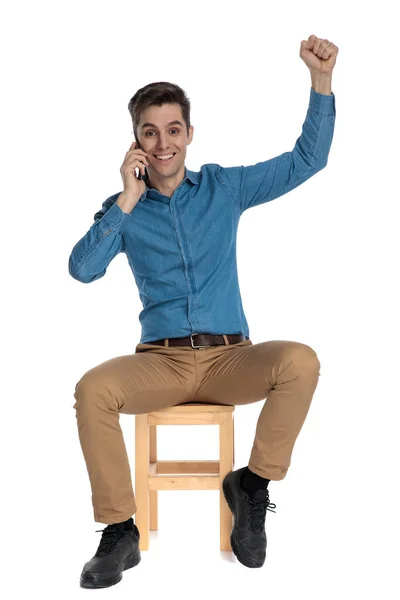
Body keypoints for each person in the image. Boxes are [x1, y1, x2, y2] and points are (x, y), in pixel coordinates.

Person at [69, 35, 338, 588]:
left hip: (229, 361)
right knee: (93, 388)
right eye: (150, 131)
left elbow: (308, 160)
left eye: (173, 129)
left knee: (301, 361)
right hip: (160, 365)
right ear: (136, 142)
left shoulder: (223, 187)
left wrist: (321, 82)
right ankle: (120, 530)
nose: (163, 142)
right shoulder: (125, 208)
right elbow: (82, 269)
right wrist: (125, 199)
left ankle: (253, 487)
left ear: (189, 134)